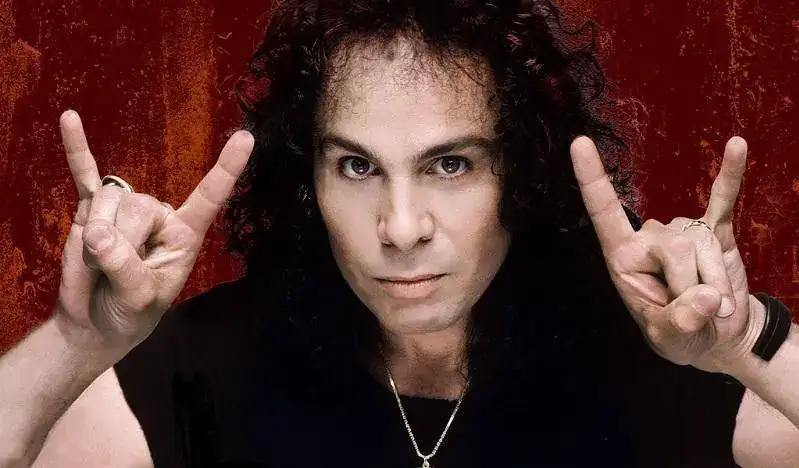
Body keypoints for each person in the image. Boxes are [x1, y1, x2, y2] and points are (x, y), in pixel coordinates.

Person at [1, 0, 798, 466]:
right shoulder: (199, 367)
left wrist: (745, 343)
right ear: (307, 177)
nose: (401, 227)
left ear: (521, 172)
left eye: (450, 164)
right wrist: (76, 340)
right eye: (356, 166)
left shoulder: (666, 363)